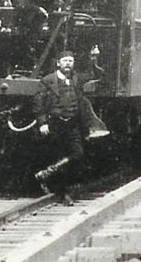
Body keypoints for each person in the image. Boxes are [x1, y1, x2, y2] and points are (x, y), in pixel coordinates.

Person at [34, 50, 96, 205]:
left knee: (78, 154)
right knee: (59, 155)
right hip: (56, 124)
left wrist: (94, 57)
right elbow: (38, 104)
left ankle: (46, 174)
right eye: (65, 61)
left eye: (71, 61)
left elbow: (93, 74)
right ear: (58, 63)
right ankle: (63, 193)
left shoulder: (76, 79)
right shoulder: (47, 80)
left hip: (73, 123)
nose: (68, 64)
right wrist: (42, 123)